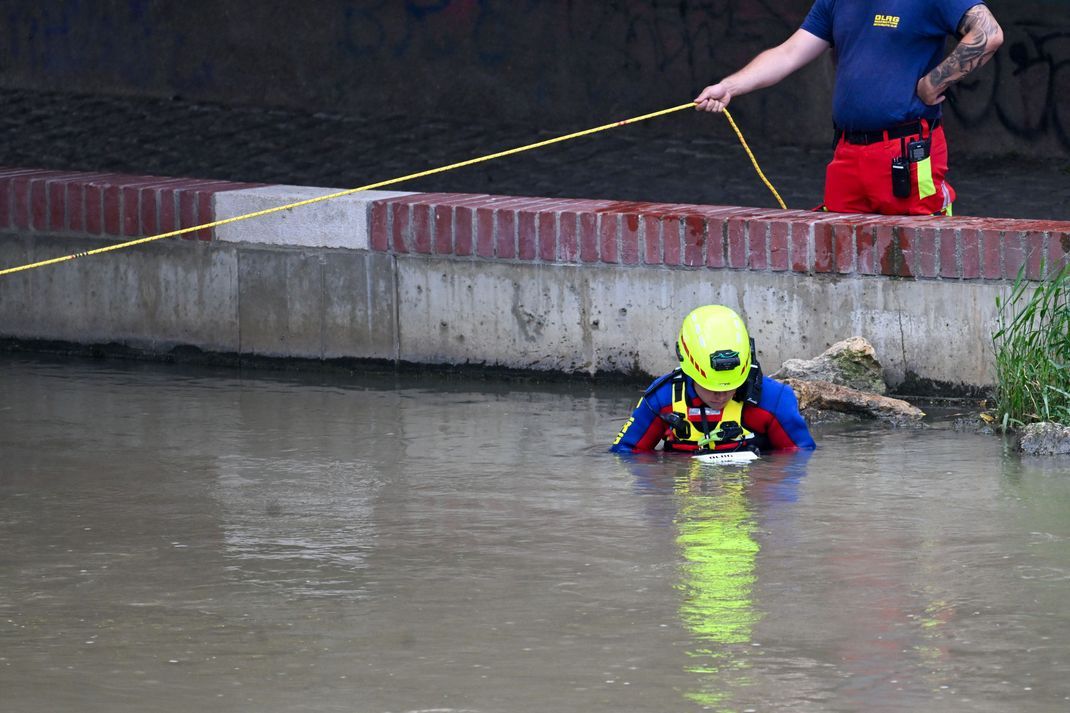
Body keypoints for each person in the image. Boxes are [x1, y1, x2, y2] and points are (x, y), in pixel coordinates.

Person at [694, 2, 1003, 216]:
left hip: (908, 153)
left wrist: (933, 83)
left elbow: (988, 34)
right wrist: (729, 87)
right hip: (848, 154)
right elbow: (788, 53)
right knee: (838, 255)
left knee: (918, 247)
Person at [611, 305, 815, 454]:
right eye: (709, 386)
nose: (721, 395)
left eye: (731, 386)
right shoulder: (662, 399)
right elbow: (625, 454)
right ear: (689, 369)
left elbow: (799, 458)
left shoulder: (774, 400)